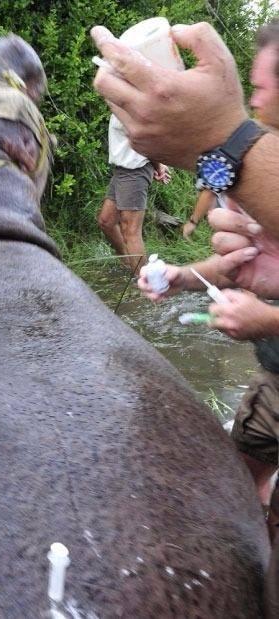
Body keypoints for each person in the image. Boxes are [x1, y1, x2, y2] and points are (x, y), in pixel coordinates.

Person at [137, 18, 279, 540]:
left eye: (261, 87)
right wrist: (181, 276)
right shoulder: (270, 164)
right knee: (244, 472)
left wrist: (265, 318)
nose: (254, 100)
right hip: (274, 382)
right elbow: (244, 263)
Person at [91, 22, 279, 239]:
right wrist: (186, 274)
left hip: (135, 171)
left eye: (260, 88)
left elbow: (213, 182)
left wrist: (222, 138)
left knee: (129, 228)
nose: (253, 101)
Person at [97, 114, 170, 270]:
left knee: (131, 231)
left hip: (134, 170)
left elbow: (145, 142)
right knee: (107, 221)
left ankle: (143, 283)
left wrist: (158, 167)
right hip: (122, 170)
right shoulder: (119, 103)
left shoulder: (132, 108)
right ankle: (128, 262)